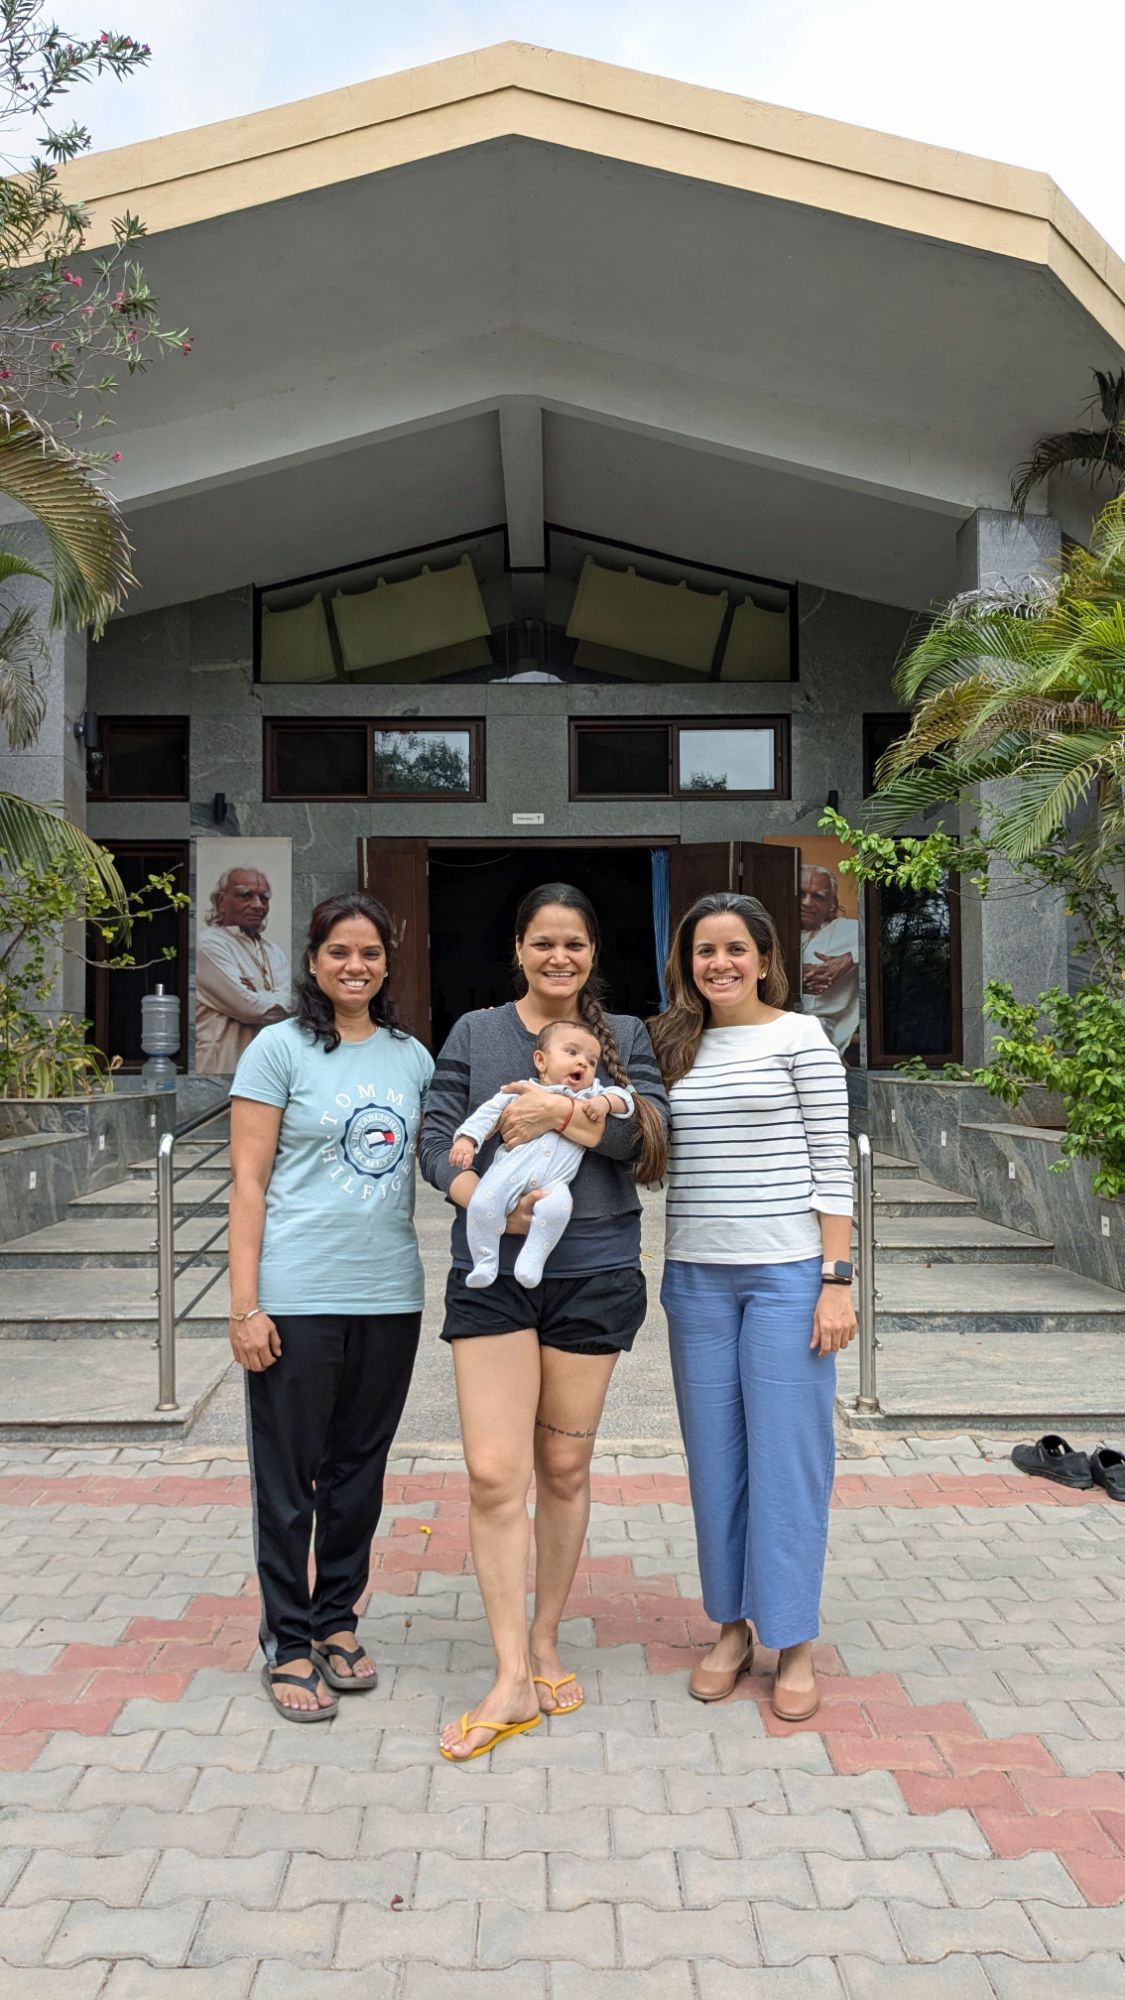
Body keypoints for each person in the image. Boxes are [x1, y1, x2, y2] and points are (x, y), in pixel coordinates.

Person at [420, 883, 669, 1761]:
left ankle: (546, 1639)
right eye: (541, 943)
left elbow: (650, 1142)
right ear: (518, 950)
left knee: (561, 1466)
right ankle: (507, 1673)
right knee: (494, 1475)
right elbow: (435, 1134)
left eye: (574, 944)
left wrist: (562, 1110)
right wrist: (479, 1203)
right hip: (493, 1273)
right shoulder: (476, 1033)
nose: (557, 958)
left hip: (593, 1272)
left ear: (591, 953)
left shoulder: (626, 1038)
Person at [228, 891, 433, 1721]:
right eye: (339, 951)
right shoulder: (278, 1050)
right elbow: (246, 1182)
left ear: (389, 962)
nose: (356, 966)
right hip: (296, 1295)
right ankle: (287, 1641)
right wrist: (246, 1306)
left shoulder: (411, 1057)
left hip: (389, 1295)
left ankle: (336, 1621)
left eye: (371, 953)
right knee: (288, 1481)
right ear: (313, 961)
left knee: (358, 1477)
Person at [650, 891, 855, 1721]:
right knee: (715, 1461)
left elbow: (830, 1159)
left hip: (786, 1276)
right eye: (704, 951)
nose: (720, 964)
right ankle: (731, 1627)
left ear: (765, 958)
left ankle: (793, 1637)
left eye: (736, 949)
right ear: (685, 962)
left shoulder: (800, 1037)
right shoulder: (671, 1044)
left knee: (788, 1462)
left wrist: (835, 1279)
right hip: (695, 1278)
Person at [450, 1022, 635, 1290]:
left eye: (591, 1061)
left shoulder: (591, 1094)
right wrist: (467, 1140)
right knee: (481, 1204)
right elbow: (486, 1115)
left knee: (558, 1208)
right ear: (541, 1060)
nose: (582, 1063)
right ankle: (485, 1261)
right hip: (509, 1171)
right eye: (572, 1053)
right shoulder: (520, 1090)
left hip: (555, 1183)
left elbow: (625, 1100)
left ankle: (532, 1258)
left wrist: (605, 1103)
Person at [197, 865, 292, 1073]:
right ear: (221, 901)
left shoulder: (273, 951)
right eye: (245, 895)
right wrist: (272, 998)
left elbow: (295, 1001)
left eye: (264, 898)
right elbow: (250, 1008)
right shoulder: (209, 944)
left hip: (267, 1067)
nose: (258, 905)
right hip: (221, 1067)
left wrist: (258, 994)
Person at [799, 863, 860, 1061]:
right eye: (800, 894)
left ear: (831, 904)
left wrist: (849, 959)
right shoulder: (770, 931)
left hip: (825, 1028)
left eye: (818, 896)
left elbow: (891, 941)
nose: (807, 902)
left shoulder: (850, 930)